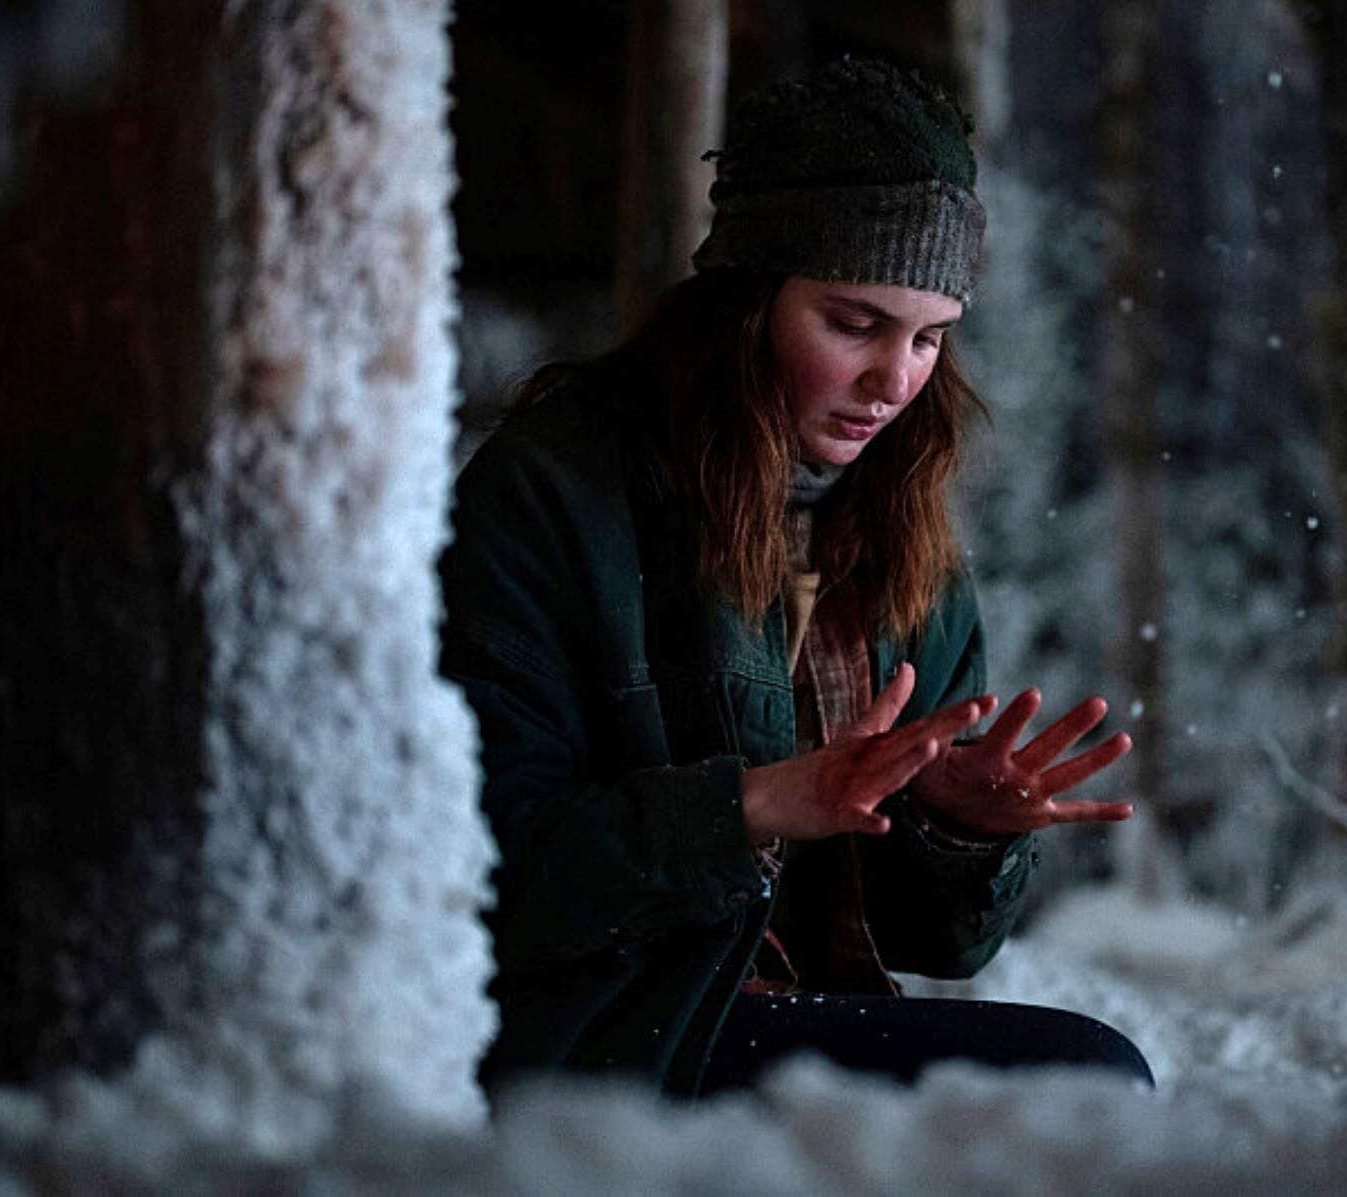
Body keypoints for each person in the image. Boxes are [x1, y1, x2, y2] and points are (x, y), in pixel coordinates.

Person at [440, 57, 1151, 1098]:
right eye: (854, 324)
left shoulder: (902, 527)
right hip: (608, 1041)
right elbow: (483, 872)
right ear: (744, 300)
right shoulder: (553, 498)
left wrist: (957, 832)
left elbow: (940, 949)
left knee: (1089, 1078)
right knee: (1085, 1083)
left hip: (801, 1022)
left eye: (929, 338)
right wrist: (757, 804)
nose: (895, 383)